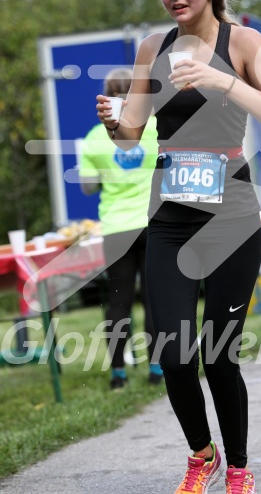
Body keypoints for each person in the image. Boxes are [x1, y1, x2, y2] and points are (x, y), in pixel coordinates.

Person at [96, 0, 261, 494]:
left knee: (218, 355)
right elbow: (135, 131)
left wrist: (224, 81)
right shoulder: (151, 48)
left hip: (231, 215)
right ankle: (200, 454)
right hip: (169, 216)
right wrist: (116, 122)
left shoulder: (245, 43)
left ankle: (237, 467)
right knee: (173, 353)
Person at [79, 67, 163, 389]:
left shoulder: (92, 137)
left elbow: (87, 187)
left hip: (116, 228)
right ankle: (157, 370)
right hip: (154, 222)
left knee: (118, 300)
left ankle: (118, 373)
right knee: (154, 298)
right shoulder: (154, 126)